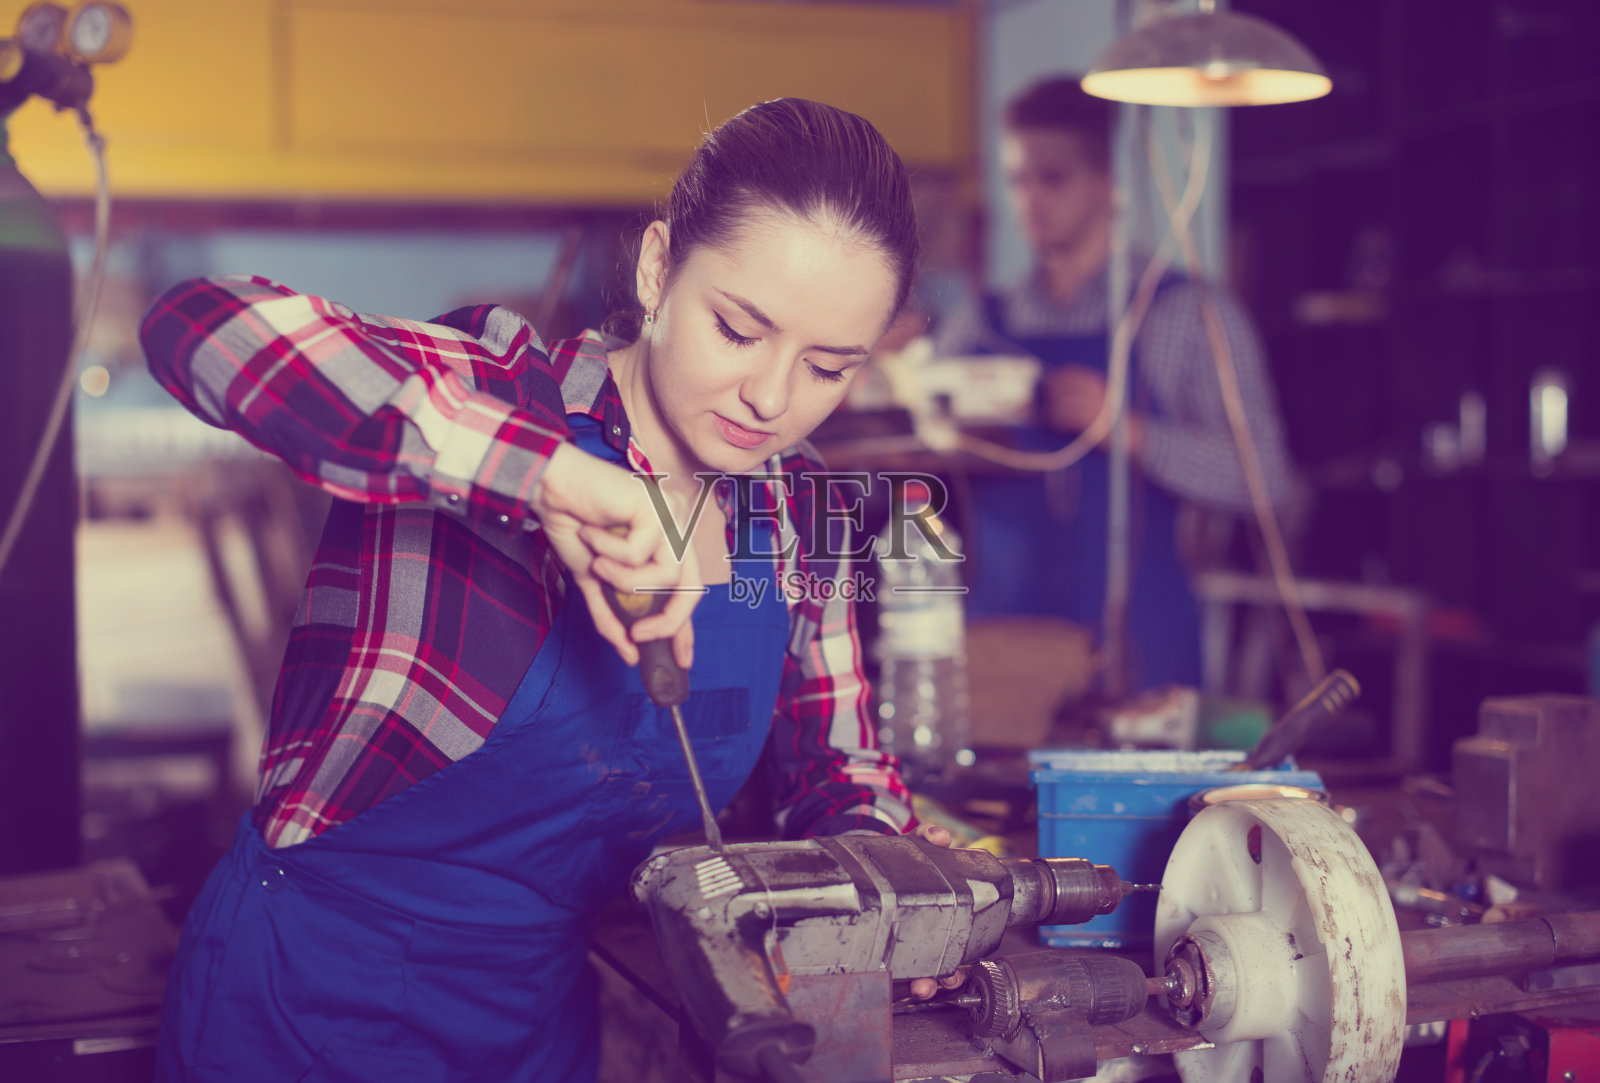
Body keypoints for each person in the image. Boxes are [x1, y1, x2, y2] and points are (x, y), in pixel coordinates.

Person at [143, 98, 955, 1083]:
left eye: (828, 367)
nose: (772, 400)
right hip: (309, 1001)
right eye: (739, 330)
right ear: (659, 268)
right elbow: (197, 327)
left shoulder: (793, 516)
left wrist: (884, 885)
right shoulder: (498, 393)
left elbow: (842, 768)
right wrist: (545, 474)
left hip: (540, 1018)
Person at [935, 77, 1301, 694]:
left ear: (1108, 183)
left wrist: (1125, 430)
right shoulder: (980, 321)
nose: (1030, 200)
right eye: (1018, 180)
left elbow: (1266, 477)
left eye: (1052, 179)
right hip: (998, 647)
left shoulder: (1186, 313)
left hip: (1138, 651)